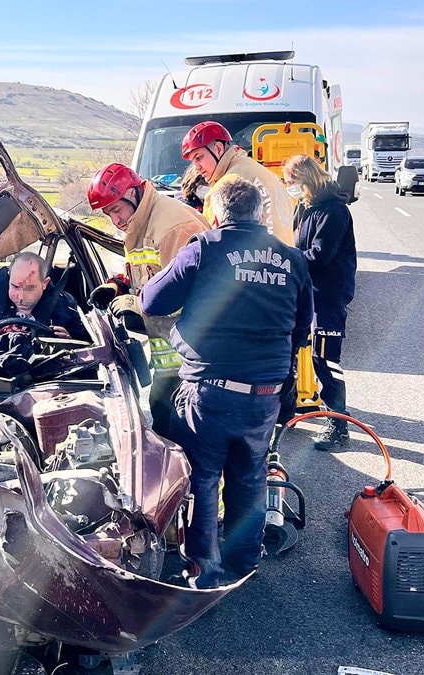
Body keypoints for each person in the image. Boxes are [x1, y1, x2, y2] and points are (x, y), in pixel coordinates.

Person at [140, 176, 313, 588]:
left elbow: (151, 301)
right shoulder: (292, 259)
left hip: (210, 392)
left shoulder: (207, 248)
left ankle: (205, 570)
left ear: (216, 214)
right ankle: (243, 562)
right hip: (266, 394)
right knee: (250, 475)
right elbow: (303, 327)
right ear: (260, 215)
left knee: (202, 477)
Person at [86, 162, 209, 437]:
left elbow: (192, 294)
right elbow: (147, 272)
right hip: (172, 357)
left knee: (183, 434)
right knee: (164, 420)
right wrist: (117, 285)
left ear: (133, 193)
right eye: (108, 214)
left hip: (194, 357)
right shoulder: (143, 222)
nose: (115, 221)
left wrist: (138, 306)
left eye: (116, 209)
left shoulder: (172, 228)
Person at [282, 154, 357, 450]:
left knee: (325, 360)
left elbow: (320, 255)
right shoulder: (306, 207)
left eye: (291, 182)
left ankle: (339, 426)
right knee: (294, 350)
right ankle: (285, 412)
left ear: (305, 179)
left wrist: (287, 260)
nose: (290, 187)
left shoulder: (334, 211)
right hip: (307, 293)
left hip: (328, 296)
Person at [181, 120, 296, 245]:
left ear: (218, 148)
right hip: (285, 257)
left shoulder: (223, 189)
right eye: (193, 161)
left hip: (255, 261)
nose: (196, 167)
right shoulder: (262, 172)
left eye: (199, 158)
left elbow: (214, 244)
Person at [0, 251, 89, 341]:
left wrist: (69, 340)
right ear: (8, 280)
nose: (21, 297)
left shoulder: (65, 308)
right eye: (15, 286)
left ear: (44, 284)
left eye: (29, 288)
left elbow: (88, 346)